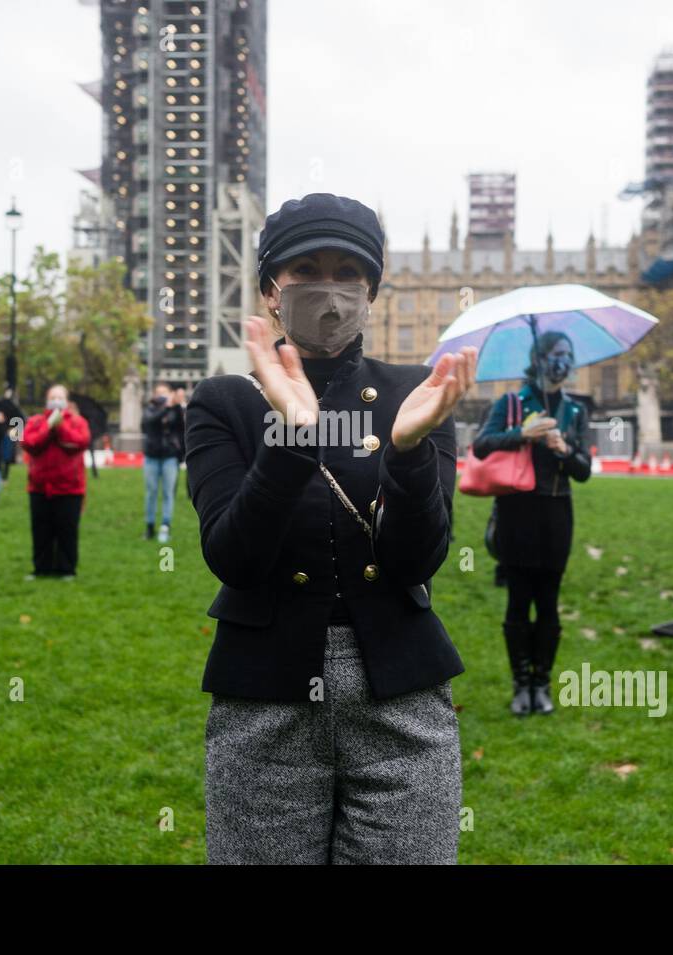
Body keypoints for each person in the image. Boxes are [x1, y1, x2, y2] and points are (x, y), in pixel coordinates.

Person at [184, 192, 477, 864]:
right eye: (308, 271)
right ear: (270, 292)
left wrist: (407, 453)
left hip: (399, 697)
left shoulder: (417, 392)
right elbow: (233, 556)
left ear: (372, 290)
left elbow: (416, 561)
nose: (332, 290)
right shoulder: (223, 402)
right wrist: (291, 438)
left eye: (349, 272)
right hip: (266, 705)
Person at [474, 330, 592, 716]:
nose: (564, 360)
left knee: (549, 604)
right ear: (539, 358)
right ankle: (520, 683)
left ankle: (542, 682)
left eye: (568, 354)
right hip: (516, 513)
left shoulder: (575, 411)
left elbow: (584, 471)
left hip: (557, 514)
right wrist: (521, 434)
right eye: (557, 353)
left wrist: (564, 448)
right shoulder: (511, 402)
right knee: (517, 602)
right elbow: (481, 445)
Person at [22, 385, 91, 578]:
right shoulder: (36, 421)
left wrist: (60, 426)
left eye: (60, 397)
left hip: (69, 487)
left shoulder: (77, 422)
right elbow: (29, 443)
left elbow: (80, 441)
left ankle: (66, 568)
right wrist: (48, 427)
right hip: (39, 487)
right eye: (53, 397)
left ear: (67, 401)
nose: (56, 400)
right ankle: (41, 568)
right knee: (41, 530)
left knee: (66, 531)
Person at [141, 381, 183, 543]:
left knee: (168, 493)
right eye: (159, 393)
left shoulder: (173, 409)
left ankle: (165, 525)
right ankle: (150, 526)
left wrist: (177, 406)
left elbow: (181, 426)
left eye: (165, 392)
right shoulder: (150, 409)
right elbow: (150, 423)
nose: (162, 396)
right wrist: (165, 407)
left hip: (169, 456)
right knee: (151, 492)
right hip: (151, 456)